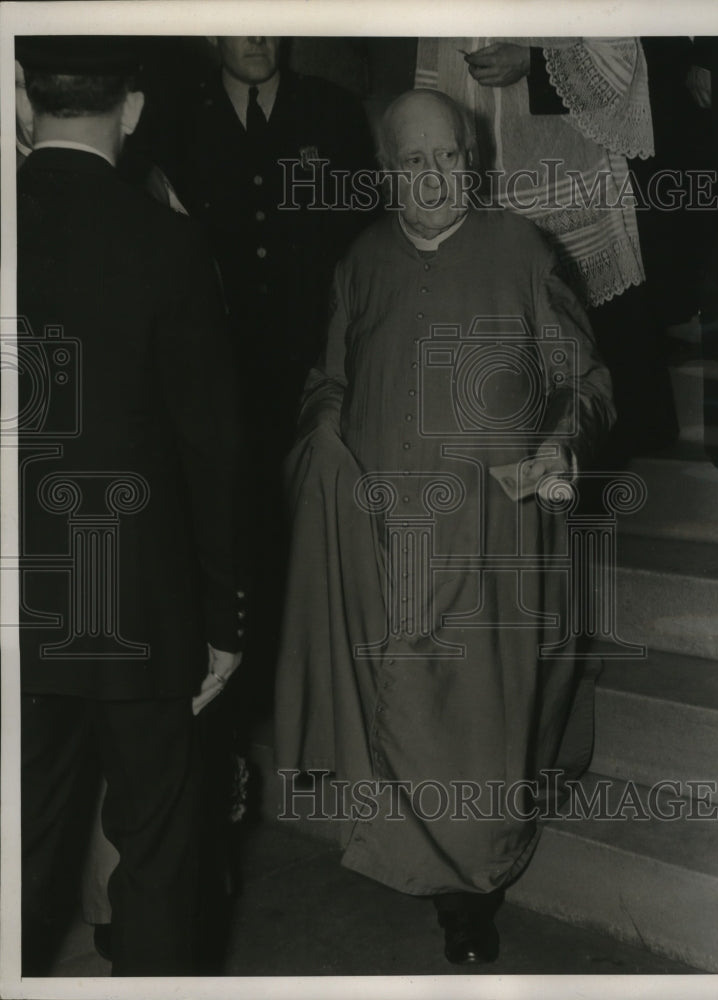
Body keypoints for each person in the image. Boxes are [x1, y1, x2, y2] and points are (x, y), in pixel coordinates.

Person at [275, 89, 615, 965]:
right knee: (407, 712)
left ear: (475, 162)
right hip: (388, 535)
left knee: (483, 726)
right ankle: (421, 861)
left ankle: (476, 889)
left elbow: (589, 382)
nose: (435, 179)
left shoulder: (523, 251)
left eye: (451, 159)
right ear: (386, 174)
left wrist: (558, 444)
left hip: (496, 533)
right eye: (414, 162)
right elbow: (331, 377)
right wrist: (322, 427)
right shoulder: (361, 262)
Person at [16, 36, 245, 976]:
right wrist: (227, 613)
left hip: (17, 607)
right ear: (133, 108)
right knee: (157, 850)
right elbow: (215, 447)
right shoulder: (171, 242)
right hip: (141, 610)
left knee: (14, 851)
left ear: (26, 103)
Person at [160, 35, 376, 716]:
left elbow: (359, 238)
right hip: (212, 368)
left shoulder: (331, 109)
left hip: (308, 365)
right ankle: (244, 699)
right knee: (229, 525)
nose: (256, 36)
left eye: (267, 21)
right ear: (207, 34)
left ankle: (313, 697)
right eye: (237, 21)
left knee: (308, 532)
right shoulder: (175, 117)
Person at [415, 37, 678, 459]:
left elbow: (619, 57)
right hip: (478, 187)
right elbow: (430, 73)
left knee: (581, 380)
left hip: (565, 178)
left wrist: (533, 61)